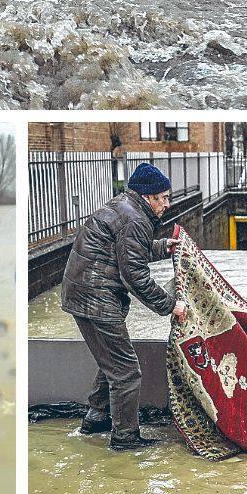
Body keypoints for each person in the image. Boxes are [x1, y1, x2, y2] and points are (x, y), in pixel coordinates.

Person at [61, 163, 187, 451]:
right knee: (127, 371)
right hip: (97, 298)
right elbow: (135, 276)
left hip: (81, 293)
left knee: (111, 361)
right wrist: (171, 305)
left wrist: (162, 246)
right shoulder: (135, 219)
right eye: (163, 198)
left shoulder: (125, 208)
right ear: (147, 197)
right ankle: (125, 437)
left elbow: (128, 251)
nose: (167, 204)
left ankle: (96, 418)